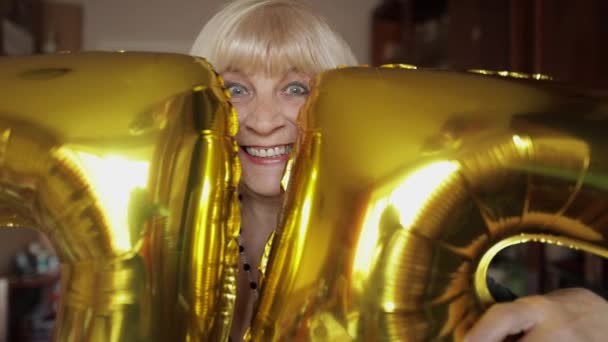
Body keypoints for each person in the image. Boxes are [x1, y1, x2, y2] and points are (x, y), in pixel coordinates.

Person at [191, 1, 608, 341]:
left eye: (295, 88)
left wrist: (590, 311)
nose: (263, 122)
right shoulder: (169, 253)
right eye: (236, 89)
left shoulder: (394, 247)